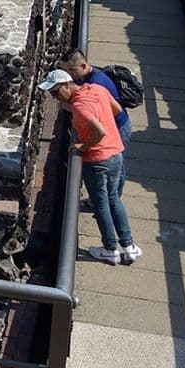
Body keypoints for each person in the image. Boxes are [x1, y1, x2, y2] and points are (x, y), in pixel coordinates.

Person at [38, 69, 140, 265]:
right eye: (52, 93)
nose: (55, 97)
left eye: (56, 92)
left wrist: (82, 145)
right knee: (114, 200)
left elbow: (98, 131)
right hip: (115, 152)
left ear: (67, 84)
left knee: (101, 204)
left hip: (97, 160)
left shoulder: (79, 107)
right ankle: (128, 246)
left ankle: (110, 248)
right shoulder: (97, 90)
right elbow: (116, 110)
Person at [62, 49, 132, 195]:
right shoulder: (88, 77)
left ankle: (114, 196)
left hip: (118, 126)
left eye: (71, 70)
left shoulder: (96, 83)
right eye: (66, 71)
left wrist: (71, 107)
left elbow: (102, 111)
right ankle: (112, 197)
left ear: (83, 66)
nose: (69, 76)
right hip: (114, 123)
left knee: (118, 165)